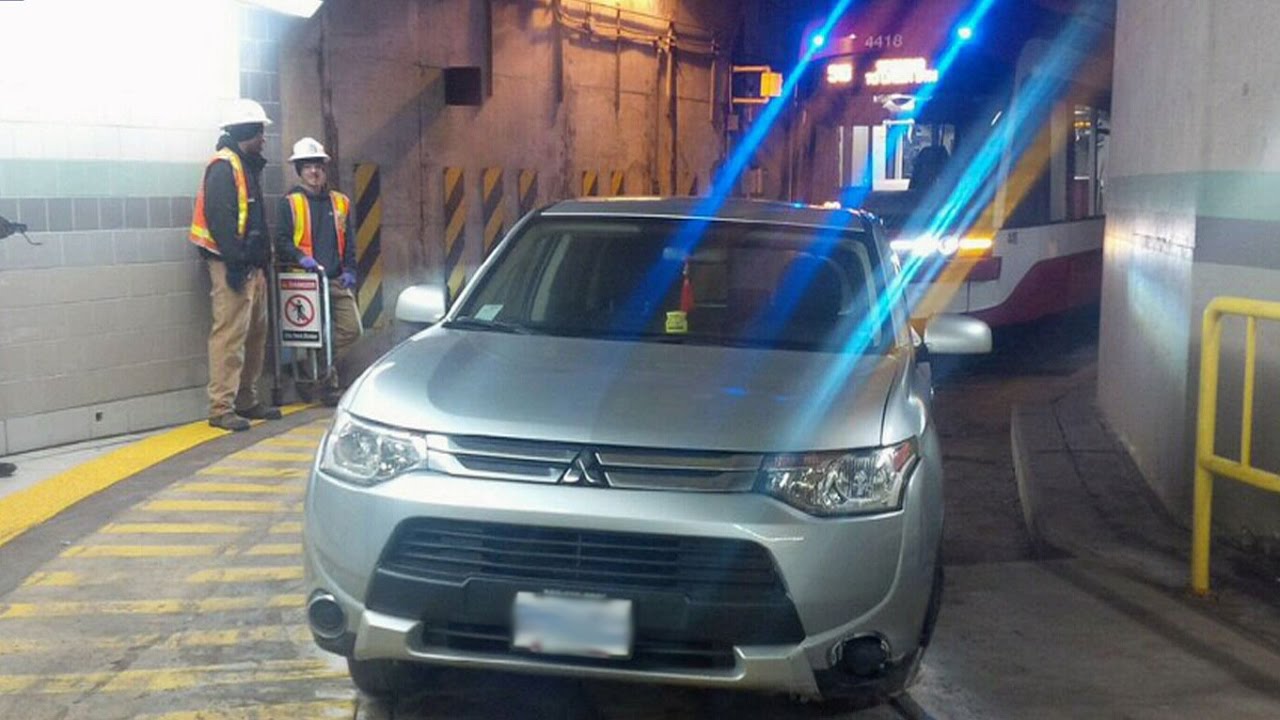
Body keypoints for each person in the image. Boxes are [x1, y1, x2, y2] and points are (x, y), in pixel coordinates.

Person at [189, 99, 284, 432]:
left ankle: (246, 399)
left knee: (255, 335)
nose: (264, 138)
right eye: (261, 131)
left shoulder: (246, 164)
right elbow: (221, 219)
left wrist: (259, 262)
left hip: (251, 266)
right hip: (231, 264)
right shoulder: (224, 166)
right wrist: (234, 264)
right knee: (230, 335)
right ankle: (221, 407)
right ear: (247, 131)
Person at [275, 137, 360, 407]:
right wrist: (302, 258)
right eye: (308, 166)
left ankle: (322, 372)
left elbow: (349, 240)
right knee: (317, 335)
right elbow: (282, 241)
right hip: (307, 282)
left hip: (334, 280)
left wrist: (350, 269)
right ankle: (326, 381)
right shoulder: (290, 203)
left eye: (318, 166)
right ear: (299, 170)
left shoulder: (340, 202)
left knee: (351, 330)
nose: (314, 172)